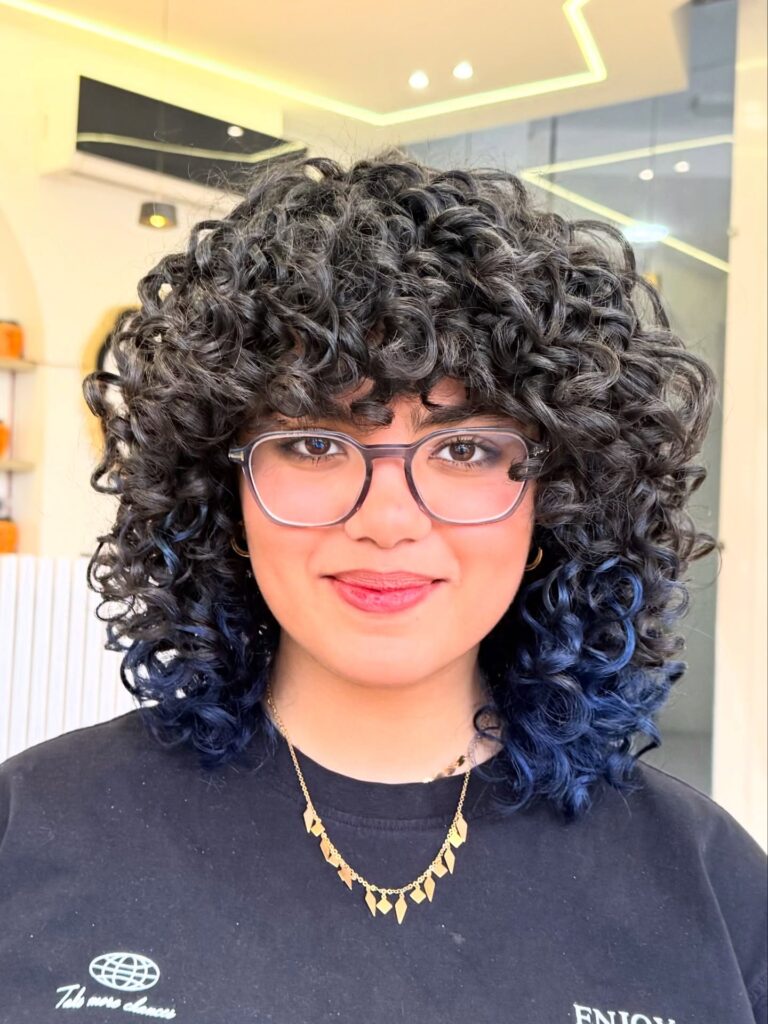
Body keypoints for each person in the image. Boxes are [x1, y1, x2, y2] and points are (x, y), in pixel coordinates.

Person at [0, 150, 765, 1024]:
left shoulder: (711, 889)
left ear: (558, 503)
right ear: (224, 492)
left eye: (467, 449)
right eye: (316, 445)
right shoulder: (32, 830)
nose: (389, 519)